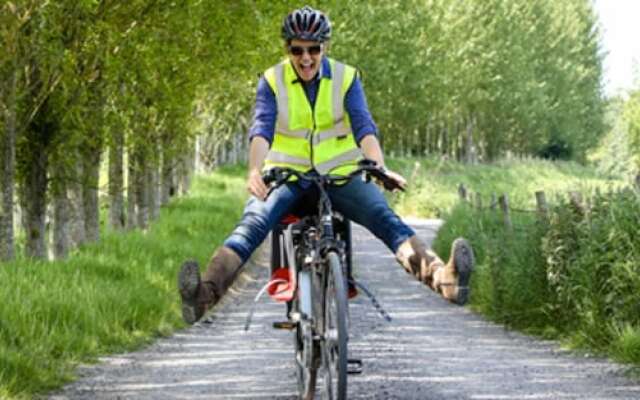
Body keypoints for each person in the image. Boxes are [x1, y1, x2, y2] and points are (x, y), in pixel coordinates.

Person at [178, 5, 474, 324]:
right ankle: (203, 294)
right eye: (297, 50)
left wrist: (377, 166)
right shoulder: (272, 80)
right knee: (253, 224)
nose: (306, 58)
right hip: (286, 177)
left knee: (383, 217)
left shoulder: (346, 78)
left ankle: (446, 279)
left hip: (340, 176)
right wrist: (254, 170)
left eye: (314, 49)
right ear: (287, 48)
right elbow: (261, 128)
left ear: (325, 47)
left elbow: (363, 126)